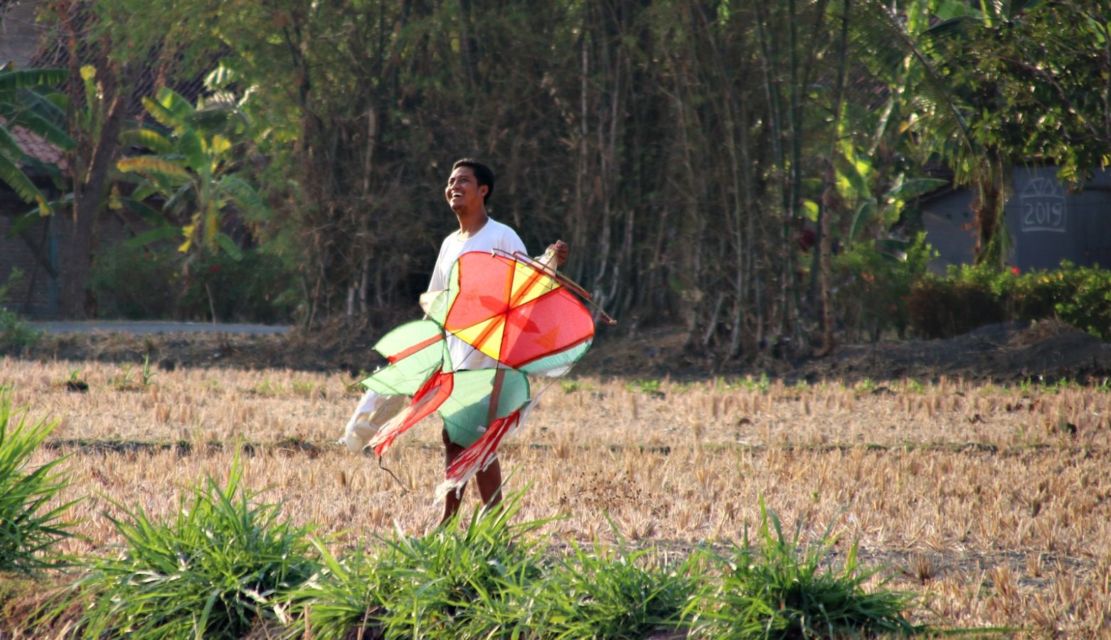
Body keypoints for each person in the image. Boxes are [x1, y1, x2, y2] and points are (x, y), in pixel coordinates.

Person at [429, 158, 567, 524]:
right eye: (451, 181)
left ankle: (466, 524)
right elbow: (438, 300)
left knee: (469, 438)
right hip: (458, 354)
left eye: (463, 181)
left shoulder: (501, 236)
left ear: (483, 191)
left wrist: (551, 260)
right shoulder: (449, 244)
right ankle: (479, 526)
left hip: (491, 356)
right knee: (459, 439)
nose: (454, 187)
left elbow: (530, 279)